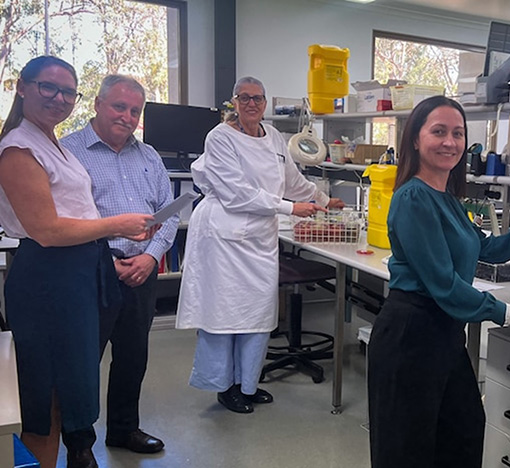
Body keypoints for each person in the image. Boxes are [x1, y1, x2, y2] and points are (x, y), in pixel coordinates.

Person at [366, 95, 510, 468]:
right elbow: (443, 285)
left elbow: (484, 248)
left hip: (444, 335)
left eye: (458, 134)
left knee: (463, 430)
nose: (450, 142)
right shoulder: (412, 198)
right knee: (408, 450)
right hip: (411, 335)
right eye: (439, 132)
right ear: (415, 138)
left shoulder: (446, 197)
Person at [0, 56, 156, 468]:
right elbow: (47, 230)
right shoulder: (18, 147)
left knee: (69, 386)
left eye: (68, 91)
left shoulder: (47, 141)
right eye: (48, 87)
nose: (59, 98)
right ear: (22, 86)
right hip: (49, 279)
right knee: (45, 392)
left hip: (78, 275)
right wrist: (117, 225)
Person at [175, 76, 344, 414]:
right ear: (234, 102)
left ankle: (248, 385)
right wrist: (289, 208)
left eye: (258, 98)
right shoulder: (220, 138)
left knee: (257, 315)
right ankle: (225, 387)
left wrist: (323, 200)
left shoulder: (275, 138)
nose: (252, 104)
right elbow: (236, 192)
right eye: (244, 98)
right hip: (225, 237)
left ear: (265, 103)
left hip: (259, 238)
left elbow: (293, 180)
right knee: (225, 317)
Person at [61, 75, 178, 454]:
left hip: (141, 271)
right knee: (82, 362)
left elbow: (168, 214)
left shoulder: (148, 156)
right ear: (97, 104)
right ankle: (78, 447)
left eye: (134, 111)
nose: (127, 117)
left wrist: (150, 256)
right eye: (119, 107)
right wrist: (102, 263)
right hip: (90, 272)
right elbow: (61, 220)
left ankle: (124, 430)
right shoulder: (68, 152)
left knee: (132, 357)